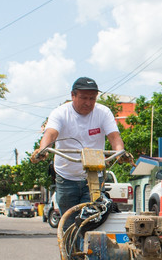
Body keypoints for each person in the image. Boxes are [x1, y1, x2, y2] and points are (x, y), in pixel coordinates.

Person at [30, 77, 126, 214]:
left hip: (94, 176)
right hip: (66, 177)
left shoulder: (103, 112)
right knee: (68, 221)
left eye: (92, 98)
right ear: (73, 95)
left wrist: (120, 153)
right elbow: (50, 134)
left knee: (92, 219)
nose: (88, 103)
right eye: (84, 98)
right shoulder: (60, 113)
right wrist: (43, 150)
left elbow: (114, 137)